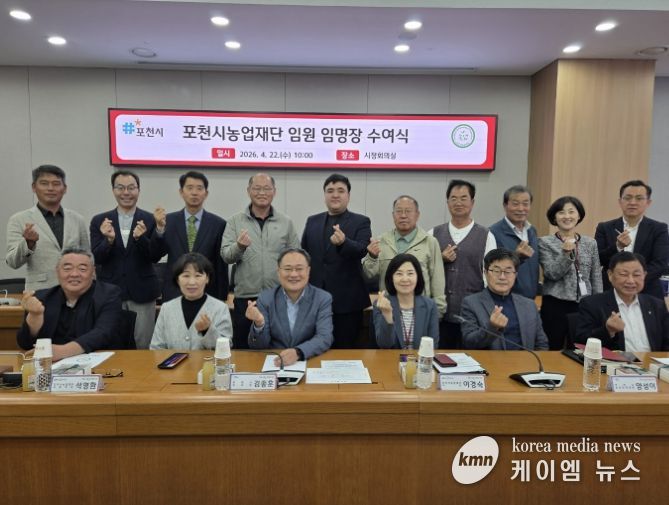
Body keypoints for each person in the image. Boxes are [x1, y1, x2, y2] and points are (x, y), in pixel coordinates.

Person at [221, 173, 300, 349]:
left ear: (274, 192)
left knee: (279, 348)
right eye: (257, 188)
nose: (262, 193)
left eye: (267, 188)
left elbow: (297, 257)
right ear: (248, 191)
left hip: (279, 297)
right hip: (246, 298)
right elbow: (226, 256)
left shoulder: (285, 222)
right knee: (245, 349)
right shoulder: (235, 221)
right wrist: (239, 246)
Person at [90, 170, 162, 349]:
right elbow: (97, 257)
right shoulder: (99, 221)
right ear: (113, 190)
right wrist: (108, 240)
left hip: (143, 291)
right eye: (120, 188)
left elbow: (155, 256)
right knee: (113, 342)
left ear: (138, 190)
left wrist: (141, 239)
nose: (126, 192)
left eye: (131, 188)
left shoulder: (149, 219)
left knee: (143, 343)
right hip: (111, 291)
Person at [301, 174, 371, 348]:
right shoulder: (312, 221)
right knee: (316, 348)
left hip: (347, 303)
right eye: (330, 190)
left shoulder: (361, 221)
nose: (335, 195)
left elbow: (362, 249)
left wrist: (343, 242)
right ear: (324, 195)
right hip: (315, 300)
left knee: (344, 351)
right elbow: (304, 255)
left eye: (341, 190)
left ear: (348, 195)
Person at [16, 248, 122, 361]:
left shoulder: (108, 294)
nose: (74, 274)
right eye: (67, 269)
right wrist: (35, 316)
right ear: (57, 271)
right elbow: (25, 344)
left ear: (93, 272)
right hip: (51, 365)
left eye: (82, 269)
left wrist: (64, 351)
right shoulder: (42, 298)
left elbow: (103, 332)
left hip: (101, 364)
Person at [430, 179, 496, 348]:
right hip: (440, 313)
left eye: (463, 198)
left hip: (473, 313)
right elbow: (424, 271)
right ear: (447, 203)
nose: (458, 203)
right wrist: (440, 259)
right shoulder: (433, 234)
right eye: (453, 198)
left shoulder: (486, 235)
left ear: (472, 202)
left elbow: (491, 275)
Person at [6, 165, 89, 291]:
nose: (50, 188)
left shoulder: (77, 219)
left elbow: (88, 257)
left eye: (56, 184)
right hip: (40, 292)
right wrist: (28, 244)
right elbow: (13, 262)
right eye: (44, 183)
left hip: (77, 291)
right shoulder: (19, 219)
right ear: (34, 187)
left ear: (65, 188)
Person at [362, 195, 446, 318]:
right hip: (387, 311)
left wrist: (438, 312)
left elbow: (437, 280)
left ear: (417, 215)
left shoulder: (430, 242)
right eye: (399, 211)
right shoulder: (381, 241)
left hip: (420, 312)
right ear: (393, 215)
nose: (403, 215)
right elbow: (369, 273)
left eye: (408, 211)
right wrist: (372, 256)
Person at [245, 248, 333, 366]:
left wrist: (298, 352)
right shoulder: (265, 299)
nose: (293, 274)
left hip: (309, 360)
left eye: (299, 269)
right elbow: (258, 346)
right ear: (278, 272)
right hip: (275, 363)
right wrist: (259, 323)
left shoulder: (322, 298)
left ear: (308, 271)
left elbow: (324, 338)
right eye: (287, 269)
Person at [151, 171, 228, 302]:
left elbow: (221, 267)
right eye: (190, 188)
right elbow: (155, 255)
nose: (194, 193)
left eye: (199, 188)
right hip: (174, 292)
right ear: (181, 192)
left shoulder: (218, 224)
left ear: (206, 193)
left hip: (208, 293)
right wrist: (159, 229)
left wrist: (221, 298)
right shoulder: (168, 221)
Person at [538, 196, 603, 350]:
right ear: (554, 217)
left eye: (571, 212)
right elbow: (552, 273)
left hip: (584, 305)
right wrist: (565, 255)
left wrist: (598, 304)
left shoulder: (590, 243)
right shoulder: (544, 242)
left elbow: (596, 276)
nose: (567, 216)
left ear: (579, 215)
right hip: (555, 304)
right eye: (561, 212)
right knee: (552, 347)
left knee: (580, 349)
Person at [574, 251, 669, 351]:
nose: (630, 281)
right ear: (610, 275)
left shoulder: (657, 305)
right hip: (613, 360)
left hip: (651, 360)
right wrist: (608, 330)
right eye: (624, 274)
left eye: (636, 275)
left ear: (644, 275)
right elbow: (580, 342)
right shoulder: (592, 304)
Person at [461, 248, 548, 351]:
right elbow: (469, 343)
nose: (502, 277)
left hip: (525, 360)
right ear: (485, 273)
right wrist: (492, 327)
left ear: (515, 275)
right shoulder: (471, 303)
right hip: (488, 361)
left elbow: (542, 344)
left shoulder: (529, 305)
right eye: (496, 271)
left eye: (508, 271)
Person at [595, 180, 669, 300]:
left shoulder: (659, 229)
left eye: (639, 198)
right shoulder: (604, 227)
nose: (633, 202)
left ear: (648, 202)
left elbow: (660, 263)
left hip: (648, 292)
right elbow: (598, 259)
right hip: (611, 291)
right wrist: (617, 247)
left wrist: (634, 280)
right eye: (628, 198)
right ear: (620, 201)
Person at [150, 253, 232, 350]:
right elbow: (156, 347)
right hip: (171, 360)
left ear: (207, 278)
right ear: (177, 279)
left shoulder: (220, 308)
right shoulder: (166, 309)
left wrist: (207, 331)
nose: (192, 282)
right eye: (186, 276)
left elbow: (226, 347)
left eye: (198, 275)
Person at [373, 253, 439, 349]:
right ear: (391, 277)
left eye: (410, 273)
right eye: (399, 273)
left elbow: (432, 346)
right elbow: (384, 345)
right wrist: (387, 315)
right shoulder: (381, 304)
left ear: (418, 276)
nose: (405, 279)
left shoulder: (430, 305)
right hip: (391, 358)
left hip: (420, 358)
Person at [489, 185, 539, 299]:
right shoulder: (493, 233)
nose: (521, 209)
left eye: (525, 204)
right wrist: (516, 256)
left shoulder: (532, 231)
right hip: (505, 298)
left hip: (530, 298)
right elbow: (491, 267)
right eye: (515, 204)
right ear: (505, 205)